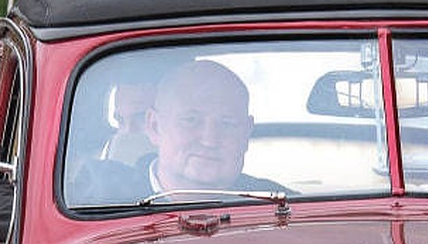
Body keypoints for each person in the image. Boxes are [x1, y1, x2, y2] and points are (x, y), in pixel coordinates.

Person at [70, 58, 288, 204]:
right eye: (191, 120)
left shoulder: (279, 208)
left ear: (245, 134)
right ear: (155, 127)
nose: (209, 140)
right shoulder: (93, 198)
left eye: (227, 123)